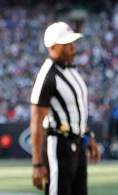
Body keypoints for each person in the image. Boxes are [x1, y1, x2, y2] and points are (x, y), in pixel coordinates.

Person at [30, 21, 101, 194]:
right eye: (67, 44)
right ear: (53, 47)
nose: (73, 48)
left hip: (77, 145)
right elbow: (36, 120)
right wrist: (37, 163)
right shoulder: (47, 76)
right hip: (59, 145)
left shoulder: (71, 70)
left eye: (73, 43)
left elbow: (76, 110)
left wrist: (87, 135)